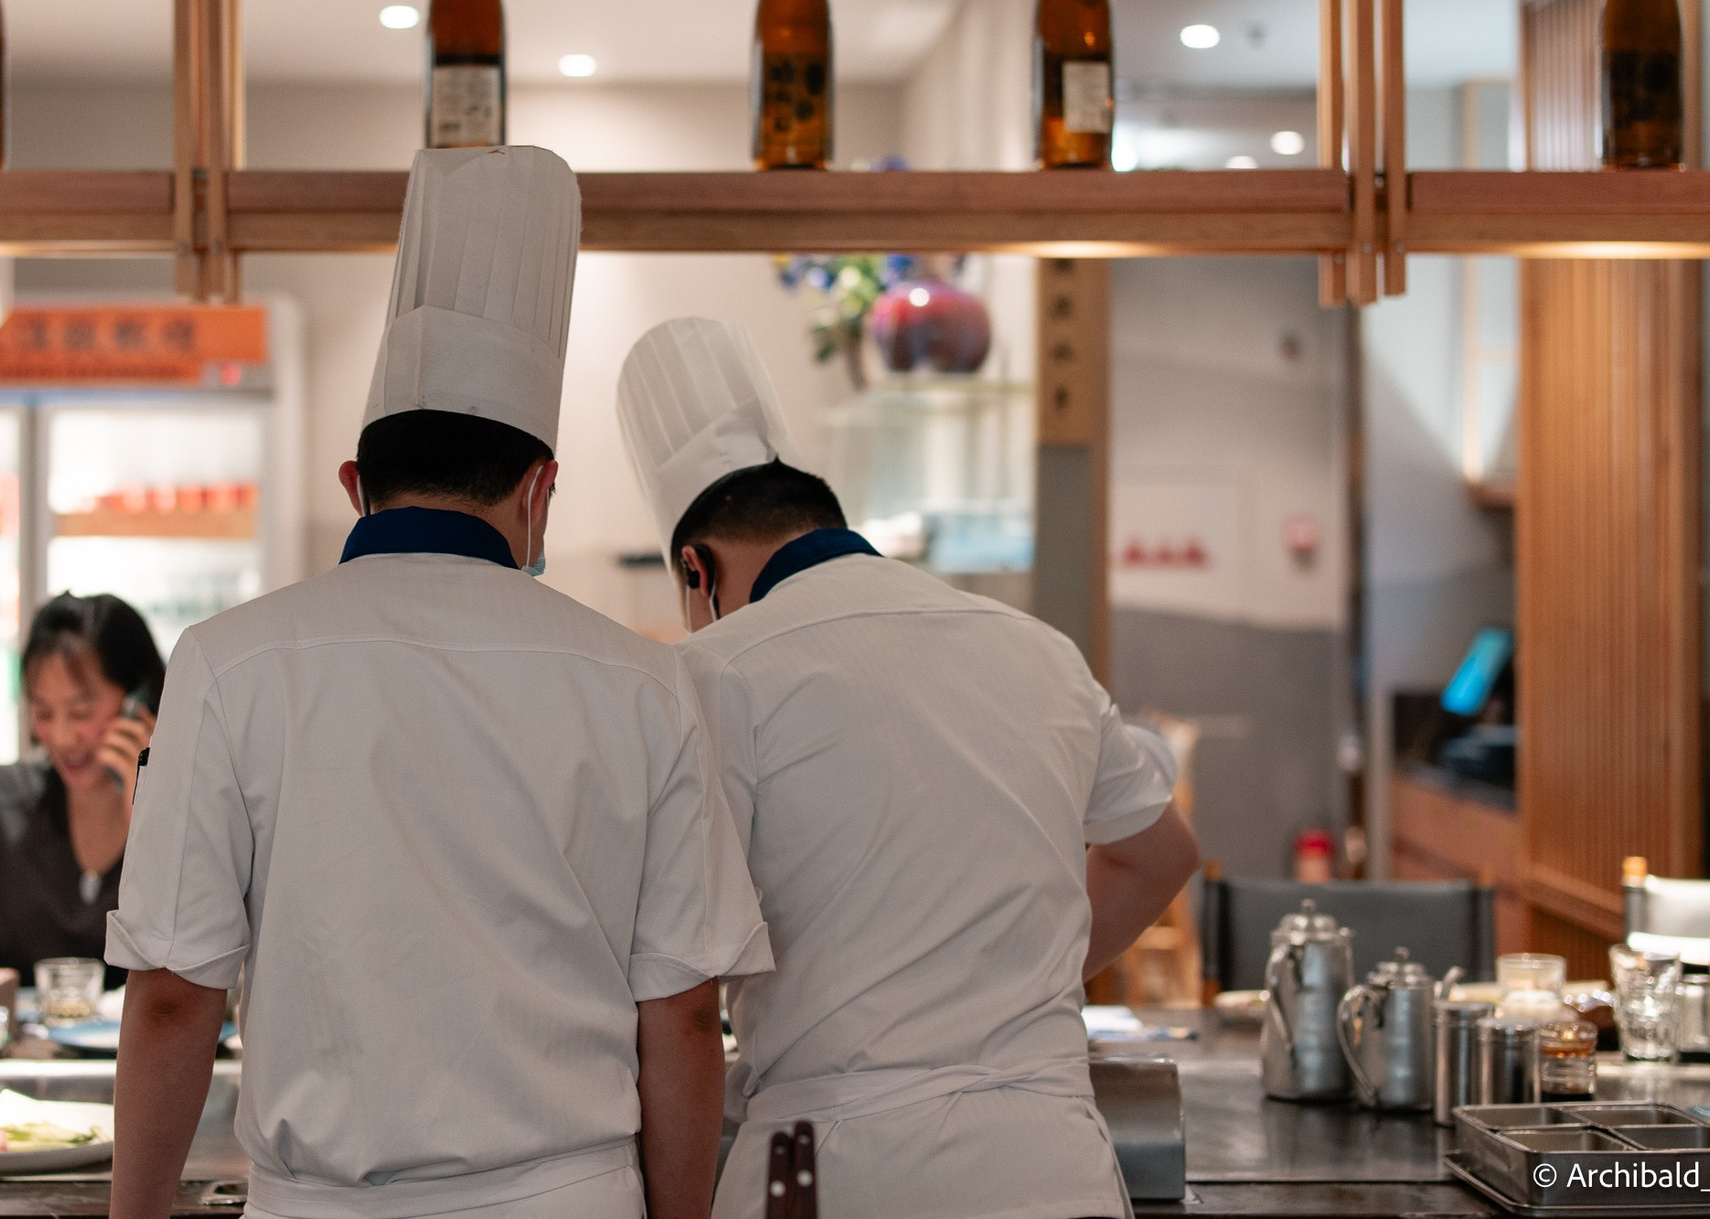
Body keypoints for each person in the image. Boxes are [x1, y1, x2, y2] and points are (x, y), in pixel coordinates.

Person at [107, 147, 769, 1219]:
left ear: (354, 485)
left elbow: (176, 997)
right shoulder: (647, 682)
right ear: (539, 490)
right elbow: (685, 1012)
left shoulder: (228, 662)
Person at [616, 318, 1204, 1219]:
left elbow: (687, 1001)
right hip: (1055, 1163)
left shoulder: (711, 672)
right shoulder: (1038, 648)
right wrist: (1011, 978)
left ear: (696, 570)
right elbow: (1159, 854)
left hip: (839, 1167)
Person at [0, 592, 160, 983]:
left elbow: (189, 966)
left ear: (138, 703)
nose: (61, 737)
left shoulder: (177, 819)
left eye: (80, 712)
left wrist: (148, 819)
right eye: (43, 712)